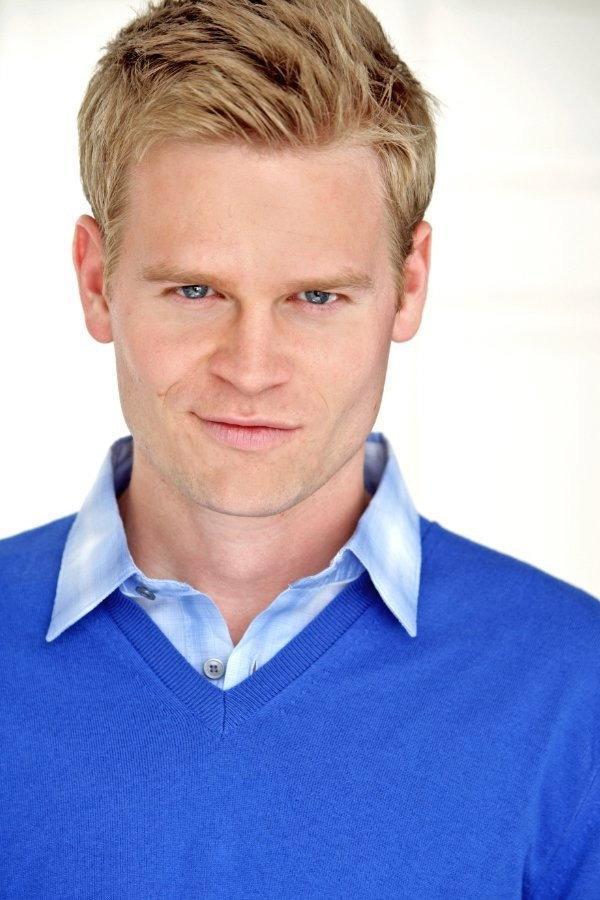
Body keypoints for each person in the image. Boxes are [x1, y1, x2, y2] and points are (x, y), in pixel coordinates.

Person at [1, 0, 598, 896]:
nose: (251, 369)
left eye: (316, 297)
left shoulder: (576, 690)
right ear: (96, 281)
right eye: (196, 291)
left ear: (409, 286)